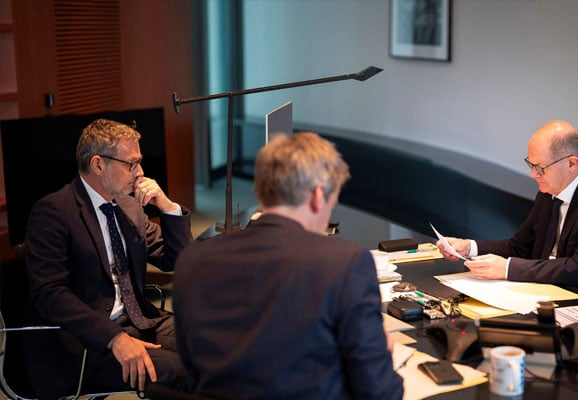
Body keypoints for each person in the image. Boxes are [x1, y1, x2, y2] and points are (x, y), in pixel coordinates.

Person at [173, 132, 404, 400]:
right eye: (332, 203)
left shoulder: (192, 260)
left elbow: (191, 367)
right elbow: (379, 392)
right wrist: (382, 354)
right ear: (318, 195)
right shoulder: (345, 262)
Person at [23, 118, 192, 398]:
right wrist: (113, 337)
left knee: (217, 346)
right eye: (131, 164)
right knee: (182, 373)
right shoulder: (53, 213)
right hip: (88, 342)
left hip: (139, 321)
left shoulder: (128, 206)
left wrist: (168, 206)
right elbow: (50, 294)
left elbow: (176, 260)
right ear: (99, 164)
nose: (140, 173)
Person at [437, 120, 578, 295]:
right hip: (550, 291)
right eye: (530, 165)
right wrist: (470, 247)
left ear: (571, 164)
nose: (533, 175)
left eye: (540, 168)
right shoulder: (548, 192)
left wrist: (507, 269)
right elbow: (520, 246)